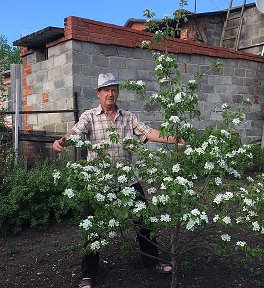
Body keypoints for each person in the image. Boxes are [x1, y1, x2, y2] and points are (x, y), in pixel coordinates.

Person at [53, 73, 184, 288]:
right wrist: (62, 142)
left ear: (118, 92)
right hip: (99, 184)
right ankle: (88, 274)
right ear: (98, 94)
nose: (110, 94)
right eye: (106, 90)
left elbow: (150, 133)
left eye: (113, 89)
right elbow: (75, 132)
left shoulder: (128, 117)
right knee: (92, 227)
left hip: (128, 182)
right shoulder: (89, 117)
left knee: (143, 221)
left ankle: (153, 262)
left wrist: (175, 139)